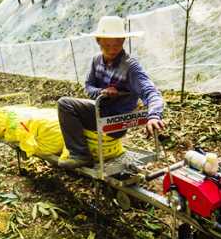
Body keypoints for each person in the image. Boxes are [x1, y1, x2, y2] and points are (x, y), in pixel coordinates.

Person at [57, 15, 166, 169]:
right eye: (107, 45)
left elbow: (151, 92)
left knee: (64, 103)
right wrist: (102, 91)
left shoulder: (130, 66)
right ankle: (80, 153)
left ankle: (80, 155)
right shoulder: (96, 61)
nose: (112, 49)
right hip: (99, 113)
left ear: (123, 41)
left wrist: (154, 115)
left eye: (117, 44)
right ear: (98, 41)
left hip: (117, 124)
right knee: (65, 104)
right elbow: (88, 86)